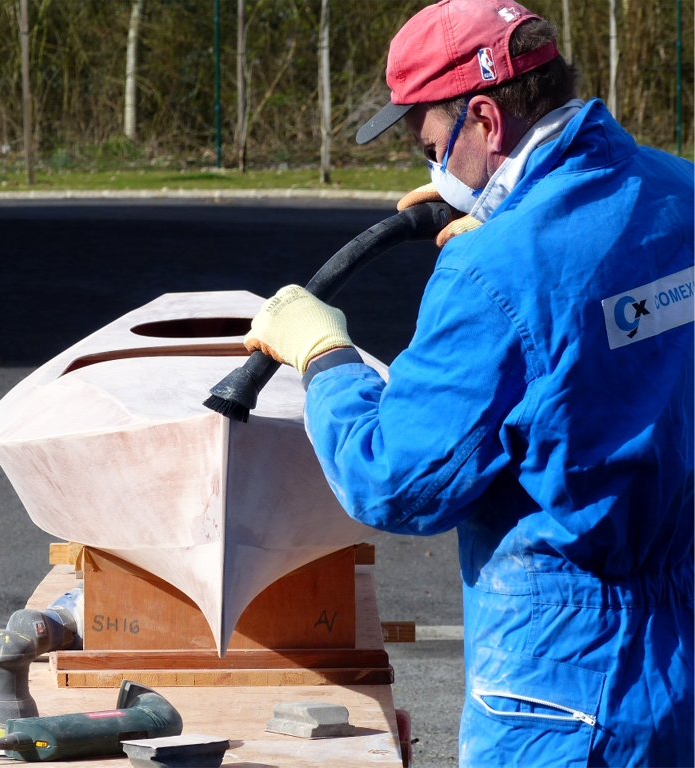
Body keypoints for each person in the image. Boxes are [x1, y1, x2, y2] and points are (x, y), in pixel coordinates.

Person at [243, 0, 694, 765]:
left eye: (431, 146)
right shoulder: (678, 194)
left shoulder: (493, 271)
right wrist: (508, 214)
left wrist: (324, 357)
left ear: (484, 117)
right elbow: (609, 317)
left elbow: (394, 478)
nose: (430, 170)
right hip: (679, 651)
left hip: (560, 684)